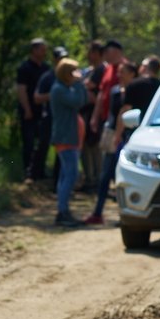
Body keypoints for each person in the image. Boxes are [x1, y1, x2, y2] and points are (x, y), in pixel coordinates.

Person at [85, 61, 139, 225]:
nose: (119, 75)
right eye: (119, 72)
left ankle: (128, 214)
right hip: (114, 139)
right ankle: (98, 212)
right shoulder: (115, 91)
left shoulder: (137, 91)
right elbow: (111, 115)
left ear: (132, 74)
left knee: (124, 178)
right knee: (106, 175)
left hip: (128, 140)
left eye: (123, 71)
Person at [49, 58, 88, 227]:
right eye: (74, 72)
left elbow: (83, 100)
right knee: (70, 175)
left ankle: (63, 210)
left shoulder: (64, 88)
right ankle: (62, 212)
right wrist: (80, 83)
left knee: (66, 175)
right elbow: (77, 101)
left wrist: (79, 85)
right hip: (66, 139)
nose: (77, 74)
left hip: (70, 139)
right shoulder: (59, 90)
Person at [34, 46, 70, 191]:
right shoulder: (47, 76)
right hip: (49, 117)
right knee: (42, 145)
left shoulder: (69, 77)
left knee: (61, 152)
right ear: (54, 60)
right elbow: (37, 98)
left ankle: (58, 182)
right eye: (60, 58)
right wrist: (55, 96)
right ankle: (35, 175)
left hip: (64, 120)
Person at [16, 38, 51, 183]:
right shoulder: (24, 68)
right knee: (29, 143)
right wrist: (27, 109)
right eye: (42, 50)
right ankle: (28, 173)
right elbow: (21, 90)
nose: (45, 53)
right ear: (34, 50)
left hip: (43, 113)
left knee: (43, 143)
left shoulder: (46, 68)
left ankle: (40, 171)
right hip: (29, 112)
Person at [113, 55, 160, 153]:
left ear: (144, 68)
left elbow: (125, 110)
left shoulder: (134, 84)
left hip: (135, 131)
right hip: (157, 130)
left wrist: (117, 135)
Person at [80, 40, 106, 195]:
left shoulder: (101, 70)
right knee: (87, 147)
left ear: (96, 53)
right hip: (86, 114)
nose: (88, 55)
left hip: (94, 114)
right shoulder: (89, 71)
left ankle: (96, 180)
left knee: (94, 147)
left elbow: (90, 87)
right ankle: (90, 178)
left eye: (90, 52)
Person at [89, 40, 126, 137]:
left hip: (117, 118)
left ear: (115, 52)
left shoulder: (125, 69)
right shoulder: (108, 68)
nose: (104, 55)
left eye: (106, 52)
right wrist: (95, 116)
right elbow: (101, 93)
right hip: (105, 117)